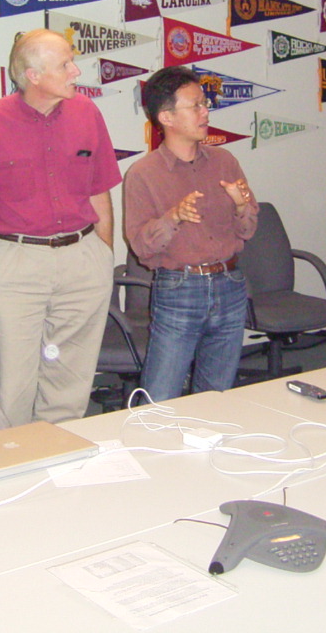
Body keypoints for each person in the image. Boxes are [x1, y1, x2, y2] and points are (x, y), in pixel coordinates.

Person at [0, 29, 121, 426]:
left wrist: (103, 255)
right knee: (11, 383)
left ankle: (61, 451)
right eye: (65, 65)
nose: (76, 71)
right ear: (33, 75)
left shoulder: (87, 113)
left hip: (83, 259)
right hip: (15, 262)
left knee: (71, 380)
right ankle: (14, 454)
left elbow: (99, 190)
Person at [123, 66, 258, 401]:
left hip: (230, 284)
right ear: (166, 117)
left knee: (216, 396)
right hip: (179, 289)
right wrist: (173, 217)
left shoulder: (224, 161)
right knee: (160, 396)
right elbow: (141, 247)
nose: (205, 112)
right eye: (195, 105)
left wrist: (242, 206)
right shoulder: (143, 174)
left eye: (205, 104)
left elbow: (248, 230)